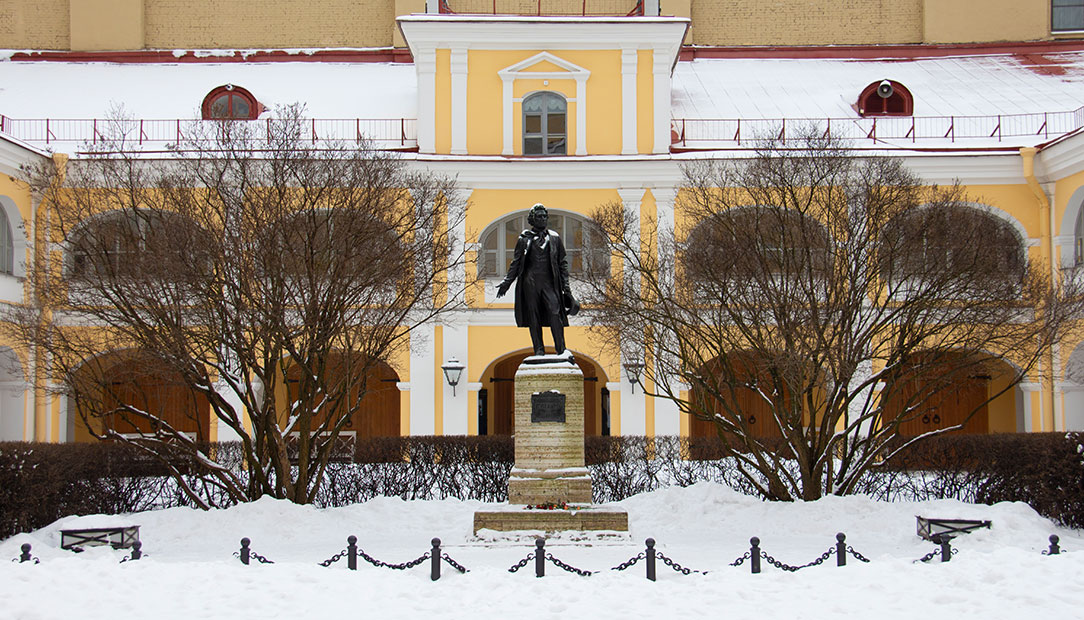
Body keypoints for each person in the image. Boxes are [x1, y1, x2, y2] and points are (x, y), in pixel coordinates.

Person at [496, 203, 579, 357]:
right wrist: (506, 283)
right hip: (530, 283)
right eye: (538, 216)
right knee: (533, 316)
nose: (542, 219)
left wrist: (566, 288)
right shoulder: (524, 239)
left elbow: (562, 263)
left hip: (550, 283)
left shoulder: (554, 238)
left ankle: (561, 350)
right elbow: (516, 263)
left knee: (555, 313)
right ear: (532, 220)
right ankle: (538, 350)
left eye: (544, 216)